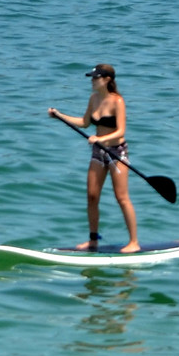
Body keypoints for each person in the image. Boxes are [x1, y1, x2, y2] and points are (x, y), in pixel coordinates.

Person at [49, 63, 140, 252]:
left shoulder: (118, 101)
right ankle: (93, 240)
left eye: (95, 77)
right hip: (98, 152)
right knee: (91, 196)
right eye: (91, 77)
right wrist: (60, 116)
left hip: (117, 152)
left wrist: (100, 138)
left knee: (121, 197)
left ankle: (134, 242)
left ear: (107, 80)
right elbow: (84, 122)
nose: (92, 81)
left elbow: (121, 131)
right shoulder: (93, 99)